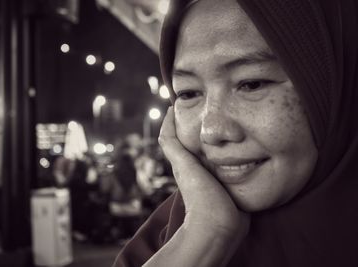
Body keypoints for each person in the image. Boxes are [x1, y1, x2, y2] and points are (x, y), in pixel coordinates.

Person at [112, 0, 358, 266]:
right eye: (188, 93)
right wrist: (205, 237)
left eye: (251, 84)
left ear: (335, 90)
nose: (212, 131)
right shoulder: (156, 248)